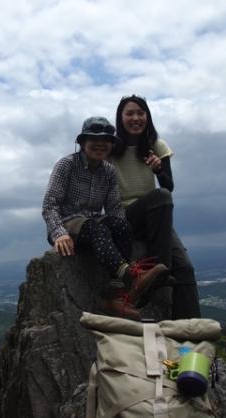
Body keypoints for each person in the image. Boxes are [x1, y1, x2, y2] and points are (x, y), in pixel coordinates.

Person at [42, 116, 168, 321]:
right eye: (94, 139)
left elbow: (114, 208)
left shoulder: (109, 171)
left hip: (93, 222)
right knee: (96, 228)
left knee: (120, 225)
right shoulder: (66, 165)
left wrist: (123, 230)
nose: (100, 144)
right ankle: (131, 277)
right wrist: (59, 233)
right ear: (83, 143)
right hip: (67, 222)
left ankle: (114, 297)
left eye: (106, 141)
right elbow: (50, 204)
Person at [110, 95, 201, 319]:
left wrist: (159, 170)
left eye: (140, 113)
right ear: (120, 118)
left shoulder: (156, 146)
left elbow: (168, 186)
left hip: (155, 214)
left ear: (147, 117)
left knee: (185, 268)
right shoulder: (111, 148)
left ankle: (188, 328)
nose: (136, 118)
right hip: (125, 216)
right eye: (129, 113)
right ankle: (157, 271)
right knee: (160, 197)